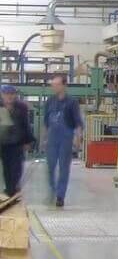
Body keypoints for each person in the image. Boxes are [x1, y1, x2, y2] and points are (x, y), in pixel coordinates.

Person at [44, 73, 83, 208]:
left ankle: (60, 196)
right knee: (50, 166)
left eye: (57, 85)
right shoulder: (50, 101)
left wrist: (78, 139)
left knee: (64, 168)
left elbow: (77, 122)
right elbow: (46, 122)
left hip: (65, 139)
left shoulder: (72, 102)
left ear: (64, 85)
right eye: (53, 85)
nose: (54, 87)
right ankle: (52, 189)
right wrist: (45, 138)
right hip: (52, 139)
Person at [0, 85, 34, 198]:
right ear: (2, 95)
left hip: (17, 142)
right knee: (6, 168)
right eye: (6, 94)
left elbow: (26, 125)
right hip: (3, 143)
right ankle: (10, 189)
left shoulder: (21, 107)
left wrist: (28, 141)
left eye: (11, 94)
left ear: (15, 95)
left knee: (16, 167)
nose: (9, 96)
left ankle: (12, 189)